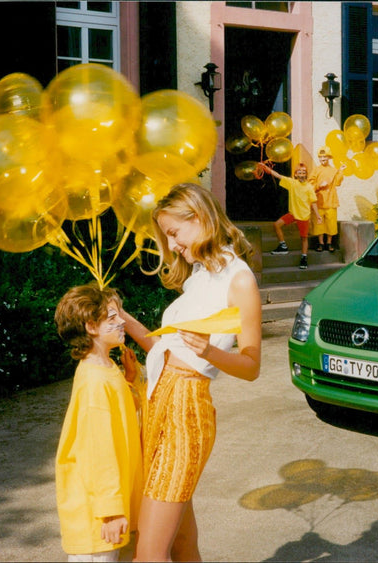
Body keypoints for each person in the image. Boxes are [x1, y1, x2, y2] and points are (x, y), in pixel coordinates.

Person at [118, 183, 262, 562]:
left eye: (173, 233)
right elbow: (171, 349)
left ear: (198, 218)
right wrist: (125, 321)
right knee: (181, 545)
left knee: (148, 553)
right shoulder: (198, 276)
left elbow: (251, 366)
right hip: (156, 403)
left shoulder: (240, 279)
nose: (173, 245)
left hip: (185, 412)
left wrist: (210, 350)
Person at [54, 283, 144, 562]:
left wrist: (130, 379)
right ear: (91, 326)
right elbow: (98, 451)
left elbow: (121, 417)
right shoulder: (94, 382)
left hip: (108, 509)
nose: (122, 323)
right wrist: (111, 511)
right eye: (113, 317)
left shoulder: (107, 369)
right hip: (97, 517)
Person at [259, 162, 322, 269]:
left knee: (304, 238)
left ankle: (304, 257)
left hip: (303, 216)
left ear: (306, 174)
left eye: (303, 172)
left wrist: (317, 215)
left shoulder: (309, 187)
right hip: (292, 214)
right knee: (277, 225)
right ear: (296, 174)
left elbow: (313, 202)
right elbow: (278, 176)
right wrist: (268, 170)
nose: (301, 174)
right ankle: (283, 246)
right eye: (299, 172)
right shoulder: (292, 183)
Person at [308, 146, 346, 253]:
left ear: (328, 158)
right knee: (319, 223)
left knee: (331, 223)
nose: (322, 160)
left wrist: (341, 171)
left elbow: (337, 182)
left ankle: (329, 243)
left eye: (324, 158)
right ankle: (321, 243)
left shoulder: (334, 170)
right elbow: (310, 185)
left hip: (331, 200)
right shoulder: (316, 170)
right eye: (320, 158)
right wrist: (319, 185)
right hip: (319, 200)